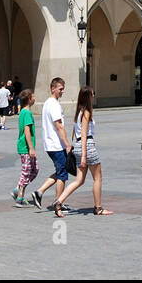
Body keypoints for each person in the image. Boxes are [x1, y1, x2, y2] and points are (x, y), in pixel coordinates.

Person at [53, 87, 114, 217]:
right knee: (98, 178)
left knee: (79, 180)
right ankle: (98, 208)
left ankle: (58, 201)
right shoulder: (86, 112)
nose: (94, 96)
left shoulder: (78, 113)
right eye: (93, 94)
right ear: (88, 96)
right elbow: (85, 134)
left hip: (78, 146)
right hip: (87, 146)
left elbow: (76, 134)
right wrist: (84, 157)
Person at [28, 78, 74, 210]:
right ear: (52, 88)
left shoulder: (48, 103)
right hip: (56, 145)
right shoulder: (53, 104)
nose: (62, 91)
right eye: (60, 89)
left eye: (63, 88)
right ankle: (58, 202)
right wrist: (67, 145)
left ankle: (39, 192)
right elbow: (59, 126)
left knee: (61, 171)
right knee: (62, 175)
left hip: (51, 144)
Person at [11, 89, 38, 207]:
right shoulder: (26, 113)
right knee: (26, 171)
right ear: (29, 99)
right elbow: (27, 130)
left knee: (34, 170)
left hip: (26, 146)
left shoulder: (23, 111)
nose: (35, 97)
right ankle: (20, 197)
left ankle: (17, 189)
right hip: (26, 147)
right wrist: (31, 148)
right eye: (33, 96)